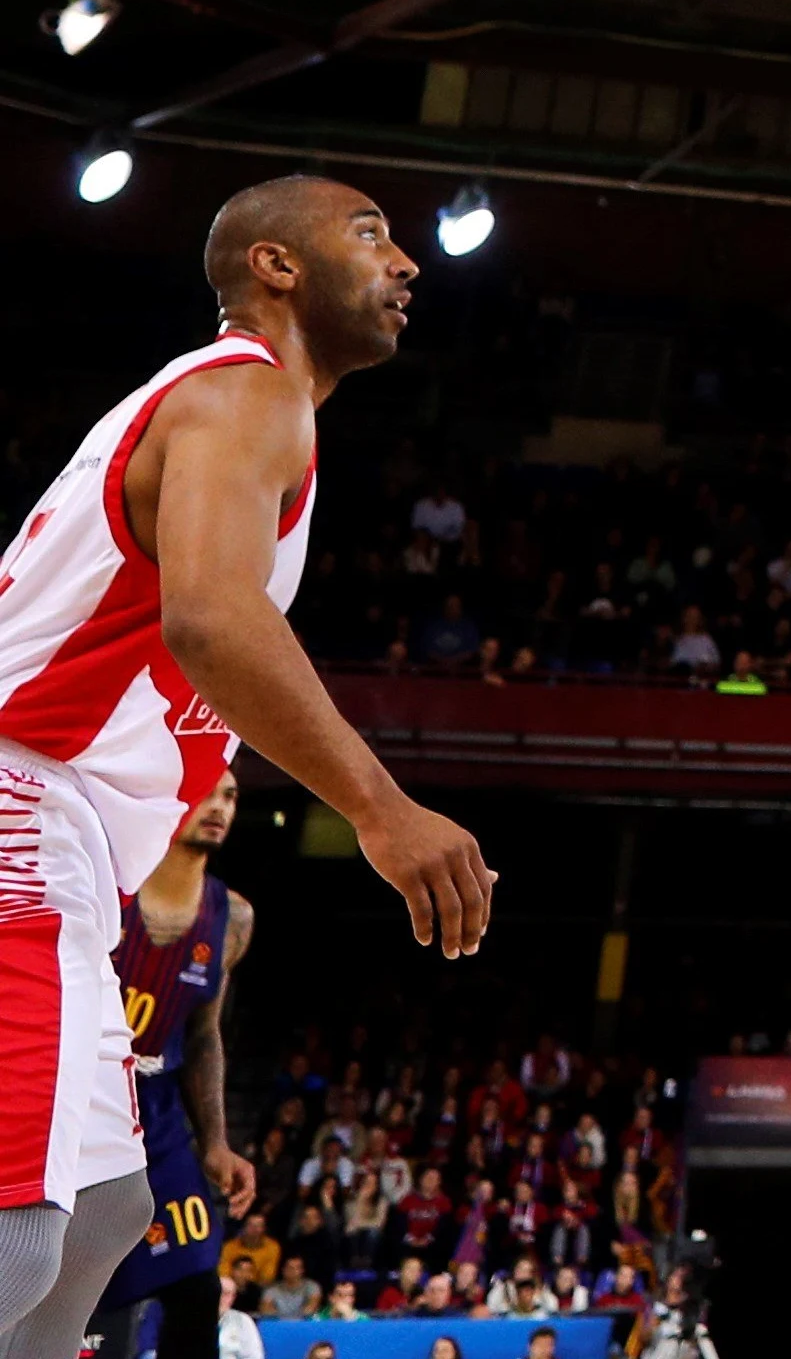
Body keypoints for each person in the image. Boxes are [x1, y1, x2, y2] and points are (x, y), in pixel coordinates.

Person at [0, 177, 488, 1353]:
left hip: (55, 819)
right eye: (371, 233)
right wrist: (381, 808)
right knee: (21, 1223)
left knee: (114, 1204)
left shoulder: (231, 409)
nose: (406, 262)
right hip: (19, 799)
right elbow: (212, 621)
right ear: (276, 266)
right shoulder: (249, 393)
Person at [87, 769, 255, 1354]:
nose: (220, 806)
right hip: (77, 1095)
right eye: (208, 789)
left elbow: (205, 1034)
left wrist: (216, 1140)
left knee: (196, 1281)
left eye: (231, 795)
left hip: (156, 1111)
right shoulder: (105, 882)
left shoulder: (232, 917)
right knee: (56, 1276)